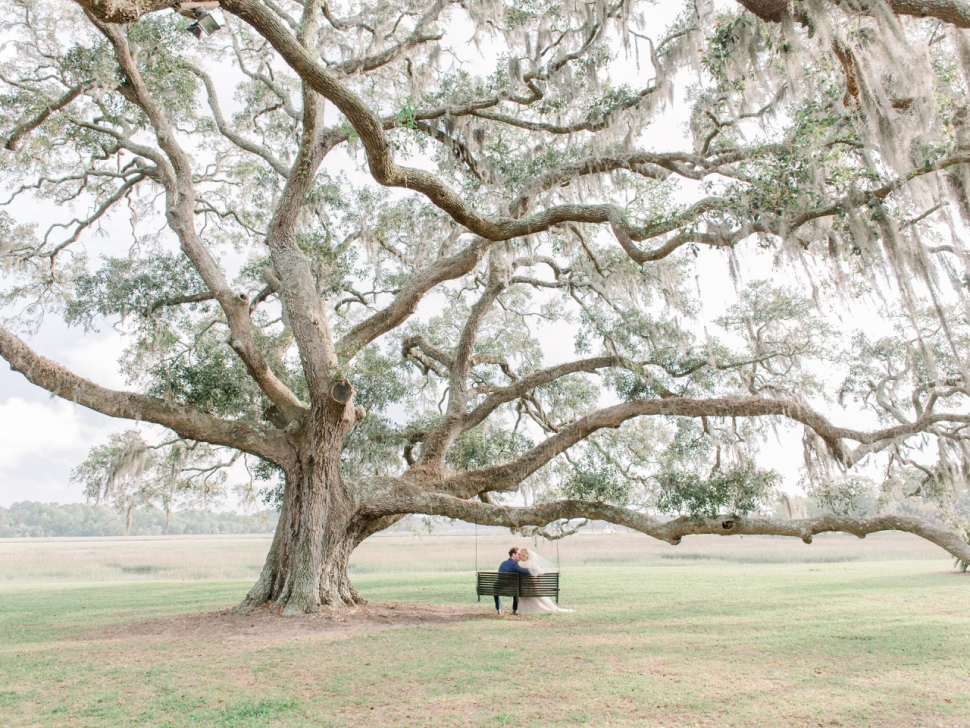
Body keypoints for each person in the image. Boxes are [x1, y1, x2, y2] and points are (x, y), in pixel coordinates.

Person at [515, 547, 574, 614]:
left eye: (521, 555)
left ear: (525, 556)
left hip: (526, 590)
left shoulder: (524, 566)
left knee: (521, 590)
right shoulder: (536, 566)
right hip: (536, 589)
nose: (520, 556)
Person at [495, 547, 530, 615]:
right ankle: (514, 610)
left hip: (499, 587)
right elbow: (527, 572)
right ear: (513, 554)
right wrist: (533, 569)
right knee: (516, 586)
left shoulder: (503, 563)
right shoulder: (514, 565)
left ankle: (499, 609)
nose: (520, 556)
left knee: (496, 586)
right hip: (511, 588)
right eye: (518, 554)